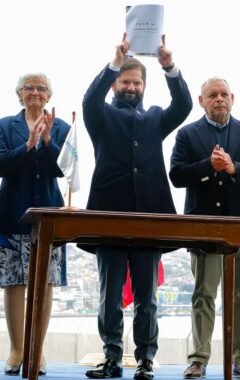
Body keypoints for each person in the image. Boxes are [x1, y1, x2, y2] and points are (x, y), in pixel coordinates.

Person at [81, 34, 192, 380]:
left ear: (144, 85)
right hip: (109, 217)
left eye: (136, 82)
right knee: (109, 297)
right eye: (125, 81)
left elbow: (184, 105)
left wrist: (168, 65)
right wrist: (114, 61)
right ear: (116, 83)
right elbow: (89, 98)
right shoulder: (100, 116)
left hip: (150, 217)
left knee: (148, 299)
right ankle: (112, 359)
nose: (131, 87)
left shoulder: (156, 118)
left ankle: (146, 360)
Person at [169, 77, 240, 379]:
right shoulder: (187, 134)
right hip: (203, 228)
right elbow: (176, 175)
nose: (219, 99)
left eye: (224, 94)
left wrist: (233, 168)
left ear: (233, 98)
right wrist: (207, 168)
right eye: (212, 95)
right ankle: (198, 359)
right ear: (201, 101)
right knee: (203, 295)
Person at [0, 73, 70, 376]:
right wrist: (29, 143)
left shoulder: (62, 126)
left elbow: (66, 168)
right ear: (19, 93)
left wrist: (47, 140)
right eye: (29, 88)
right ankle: (17, 350)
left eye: (41, 88)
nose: (35, 92)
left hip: (50, 216)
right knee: (13, 283)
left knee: (45, 285)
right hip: (11, 213)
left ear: (49, 95)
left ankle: (37, 350)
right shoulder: (4, 126)